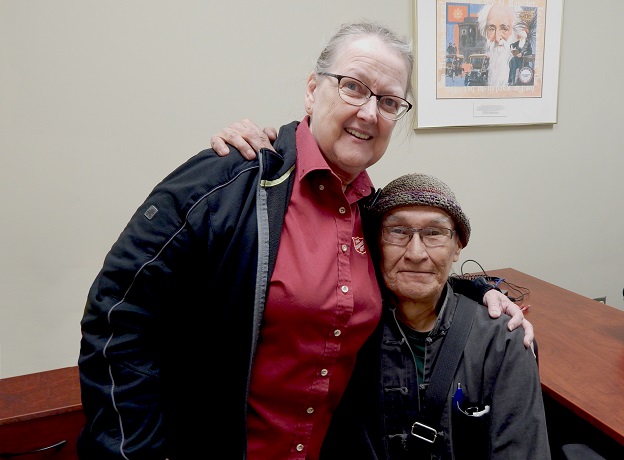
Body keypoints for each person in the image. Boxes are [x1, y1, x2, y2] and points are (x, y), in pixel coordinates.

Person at [78, 21, 531, 460]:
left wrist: (483, 296)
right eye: (353, 86)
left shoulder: (367, 214)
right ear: (313, 90)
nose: (370, 112)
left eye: (390, 101)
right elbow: (117, 317)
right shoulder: (228, 181)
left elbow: (409, 273)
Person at [320, 173, 551, 459]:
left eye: (434, 233)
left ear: (458, 247)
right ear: (376, 243)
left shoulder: (503, 343)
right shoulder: (348, 334)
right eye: (398, 231)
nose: (416, 253)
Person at [477, 4, 522, 87]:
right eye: (492, 29)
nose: (497, 39)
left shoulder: (523, 70)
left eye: (504, 29)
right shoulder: (484, 70)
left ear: (516, 33)